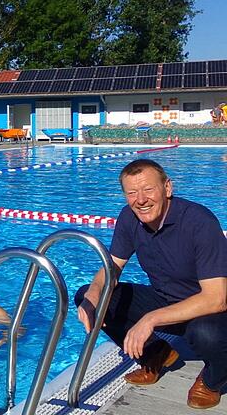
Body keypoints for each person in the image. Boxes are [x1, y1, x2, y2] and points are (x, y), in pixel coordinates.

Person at [75, 159, 227, 409]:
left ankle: (213, 380)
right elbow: (112, 267)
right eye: (132, 192)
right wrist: (93, 295)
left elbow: (216, 299)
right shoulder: (129, 218)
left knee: (206, 334)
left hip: (210, 310)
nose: (140, 199)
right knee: (92, 297)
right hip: (167, 301)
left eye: (148, 189)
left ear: (167, 188)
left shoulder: (199, 222)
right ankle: (157, 354)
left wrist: (150, 320)